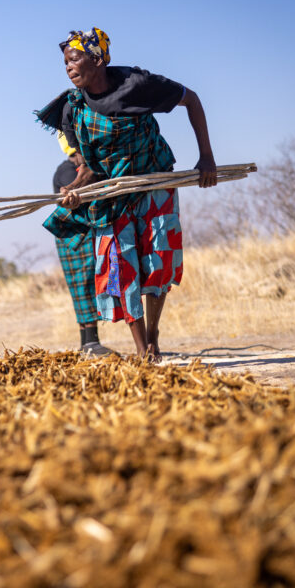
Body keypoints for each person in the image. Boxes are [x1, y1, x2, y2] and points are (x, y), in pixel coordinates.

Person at [37, 27, 217, 359]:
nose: (68, 67)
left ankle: (153, 333)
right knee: (121, 264)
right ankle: (142, 348)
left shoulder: (138, 85)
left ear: (97, 59)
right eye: (64, 62)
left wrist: (206, 157)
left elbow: (191, 99)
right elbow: (91, 165)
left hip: (154, 180)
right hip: (113, 189)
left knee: (157, 258)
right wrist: (75, 190)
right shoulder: (74, 109)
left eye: (74, 59)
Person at [51, 134, 111, 356]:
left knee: (86, 284)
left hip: (79, 232)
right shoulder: (68, 172)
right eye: (79, 154)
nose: (81, 158)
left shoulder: (78, 169)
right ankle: (89, 343)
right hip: (73, 234)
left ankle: (89, 342)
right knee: (82, 285)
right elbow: (77, 196)